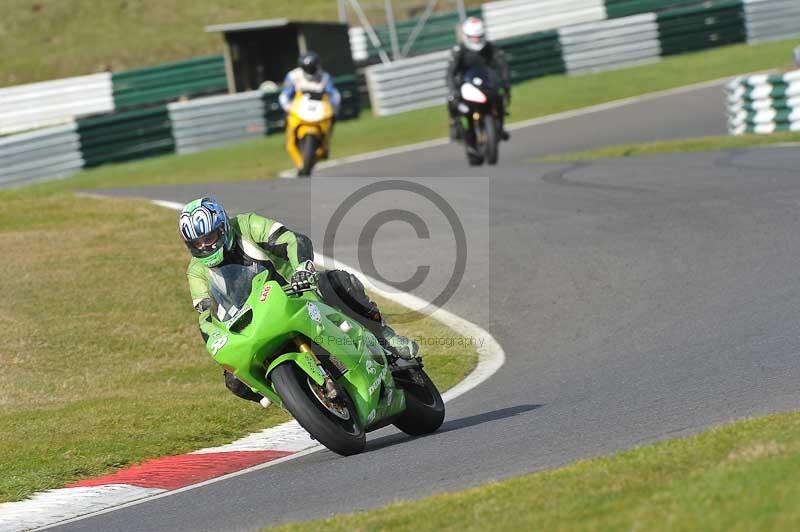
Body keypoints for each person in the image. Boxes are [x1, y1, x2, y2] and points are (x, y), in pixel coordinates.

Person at [179, 197, 418, 404]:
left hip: (295, 293)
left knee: (335, 282)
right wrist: (217, 341)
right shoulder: (196, 271)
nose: (204, 246)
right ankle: (294, 401)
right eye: (196, 243)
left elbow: (293, 240)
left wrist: (302, 268)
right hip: (251, 322)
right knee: (235, 380)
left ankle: (383, 336)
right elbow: (205, 315)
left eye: (209, 237)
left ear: (222, 227)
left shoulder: (247, 225)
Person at [446, 16, 511, 141]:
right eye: (473, 37)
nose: (476, 40)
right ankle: (455, 124)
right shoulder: (459, 51)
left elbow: (503, 65)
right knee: (451, 99)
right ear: (467, 36)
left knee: (502, 95)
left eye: (478, 37)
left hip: (487, 83)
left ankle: (500, 126)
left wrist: (506, 82)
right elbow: (450, 73)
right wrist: (453, 89)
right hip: (465, 84)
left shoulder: (490, 48)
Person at [278, 51, 341, 115]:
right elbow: (285, 95)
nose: (309, 70)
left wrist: (332, 109)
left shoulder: (324, 77)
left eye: (312, 68)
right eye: (307, 68)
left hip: (320, 112)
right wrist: (288, 108)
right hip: (298, 112)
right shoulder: (293, 76)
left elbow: (333, 94)